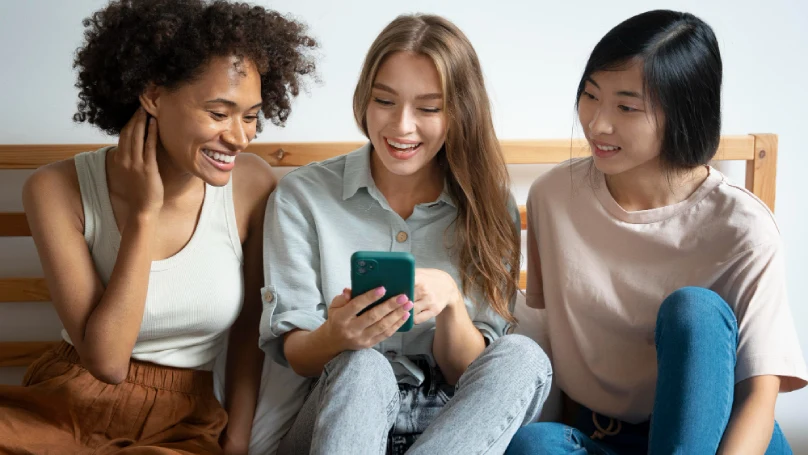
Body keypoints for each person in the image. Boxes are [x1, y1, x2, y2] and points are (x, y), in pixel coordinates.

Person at [0, 0, 315, 453]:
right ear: (152, 95)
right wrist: (144, 214)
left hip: (182, 422)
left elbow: (250, 328)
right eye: (218, 113)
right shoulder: (54, 188)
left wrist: (239, 437)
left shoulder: (251, 185)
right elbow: (106, 362)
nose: (240, 137)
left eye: (250, 116)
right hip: (62, 407)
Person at [507, 9, 807, 455]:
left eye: (627, 107)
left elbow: (760, 397)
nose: (597, 123)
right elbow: (556, 345)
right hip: (605, 438)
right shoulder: (553, 197)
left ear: (683, 113)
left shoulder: (742, 227)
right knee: (534, 445)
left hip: (724, 440)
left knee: (694, 311)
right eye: (591, 95)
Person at [259, 13, 552, 455]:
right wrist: (337, 337)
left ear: (458, 113)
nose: (401, 126)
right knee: (363, 366)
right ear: (364, 99)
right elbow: (297, 356)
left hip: (450, 426)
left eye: (429, 108)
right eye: (385, 101)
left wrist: (452, 303)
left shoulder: (490, 208)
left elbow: (467, 371)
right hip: (338, 415)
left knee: (524, 357)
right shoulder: (303, 196)